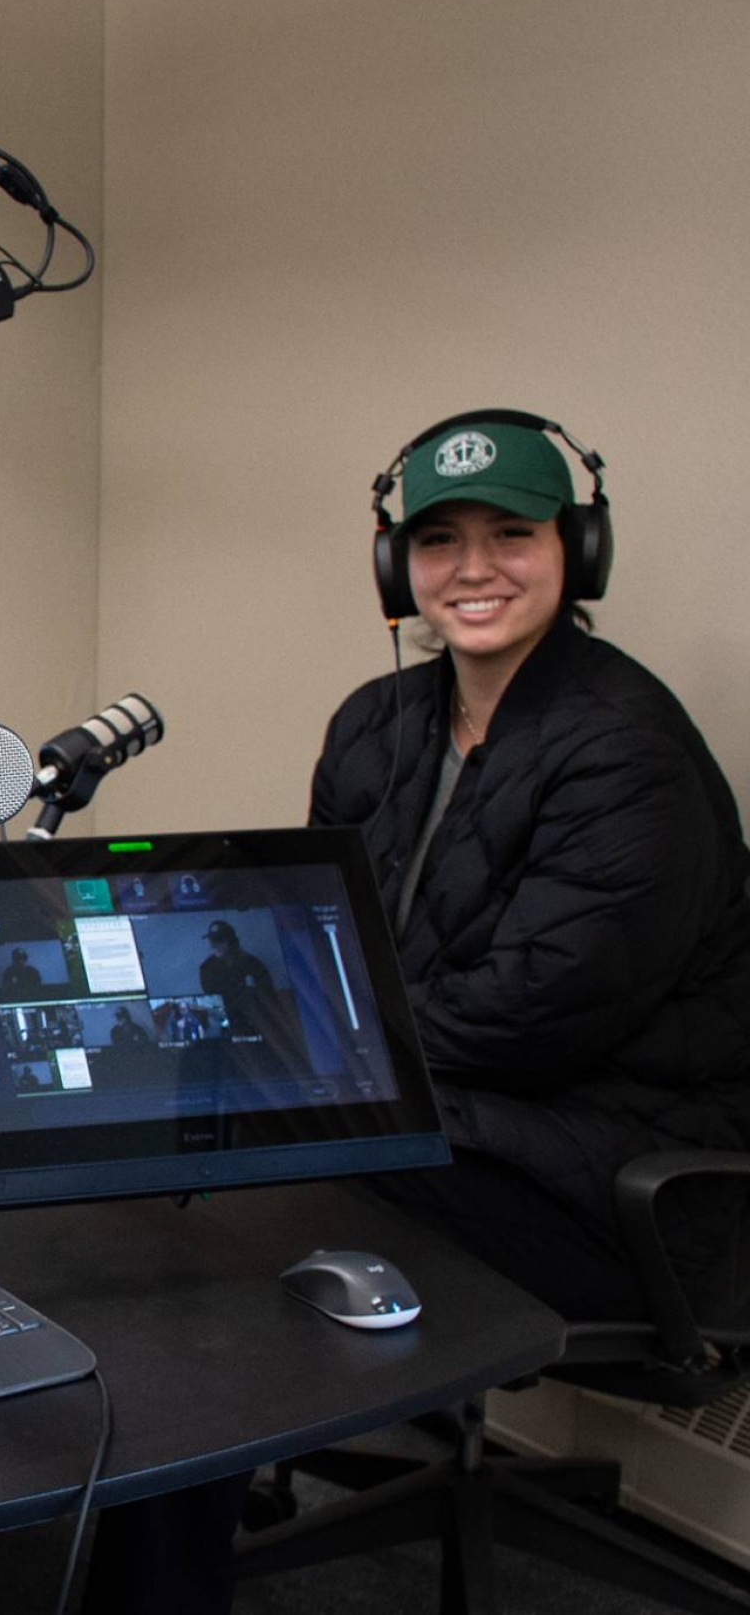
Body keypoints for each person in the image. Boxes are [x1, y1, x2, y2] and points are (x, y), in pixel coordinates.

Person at [308, 413, 750, 1321]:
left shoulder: (627, 749)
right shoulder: (374, 723)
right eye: (440, 540)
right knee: (192, 1118)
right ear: (398, 566)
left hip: (626, 1178)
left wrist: (311, 1041)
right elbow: (322, 938)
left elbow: (532, 1017)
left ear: (576, 550)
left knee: (280, 1169)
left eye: (511, 533)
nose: (473, 568)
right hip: (466, 1118)